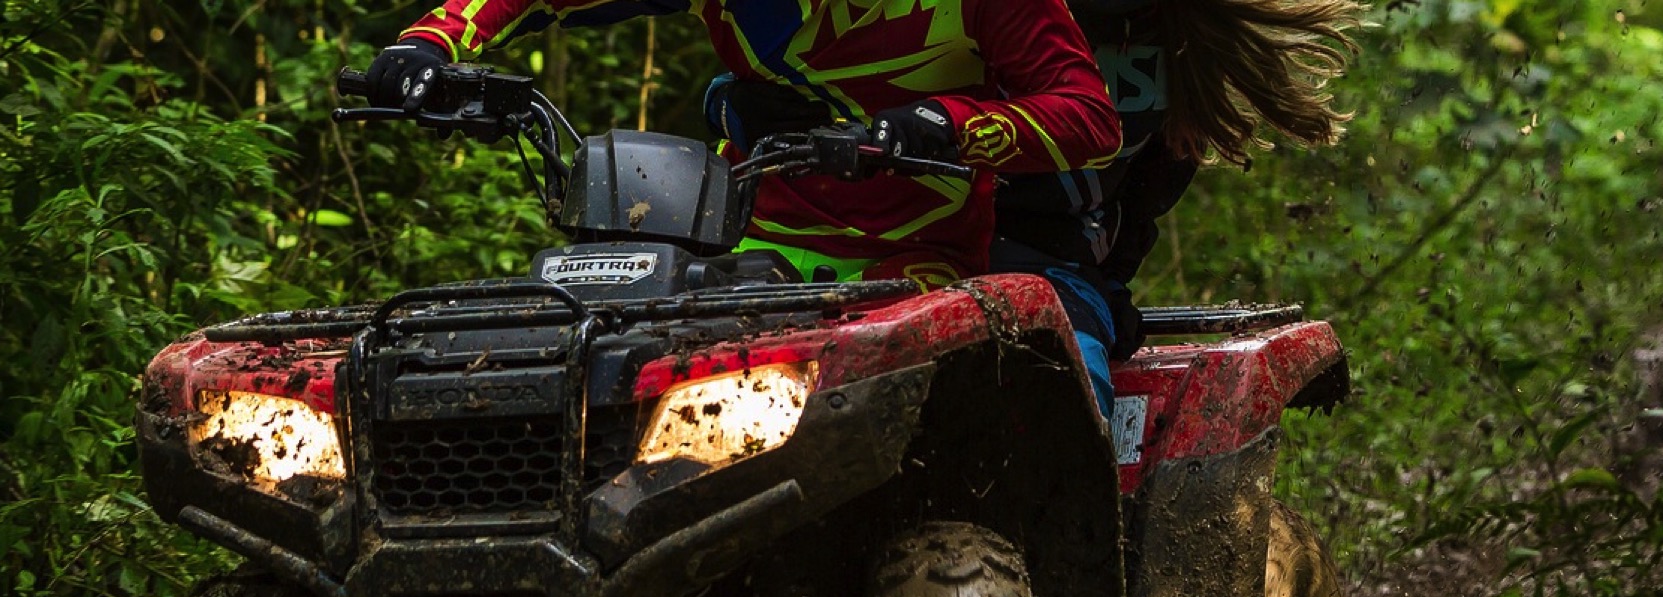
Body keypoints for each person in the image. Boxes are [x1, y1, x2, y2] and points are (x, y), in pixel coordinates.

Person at [710, 0, 1362, 416]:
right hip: (900, 242)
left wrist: (1109, 284)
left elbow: (1145, 193)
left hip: (1045, 269)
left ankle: (1078, 596)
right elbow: (840, 78)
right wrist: (729, 103)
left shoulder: (1183, 46)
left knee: (1066, 399)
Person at [364, 0, 1121, 287]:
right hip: (744, 244)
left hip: (915, 260)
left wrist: (949, 125)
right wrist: (428, 47)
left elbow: (1089, 117)